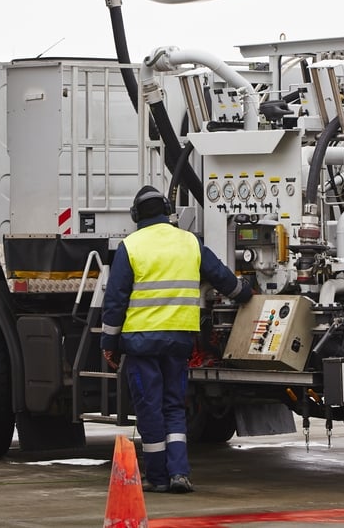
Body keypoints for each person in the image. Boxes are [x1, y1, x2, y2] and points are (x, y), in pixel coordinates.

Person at [101, 185, 252, 494]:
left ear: (135, 215)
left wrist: (108, 344)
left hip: (142, 344)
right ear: (168, 211)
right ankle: (180, 473)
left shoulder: (130, 247)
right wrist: (245, 294)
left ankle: (157, 477)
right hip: (180, 342)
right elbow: (222, 277)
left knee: (149, 409)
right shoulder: (190, 243)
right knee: (174, 408)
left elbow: (115, 301)